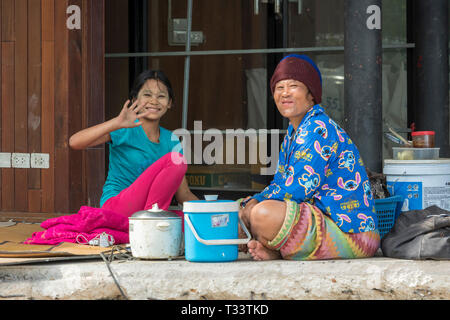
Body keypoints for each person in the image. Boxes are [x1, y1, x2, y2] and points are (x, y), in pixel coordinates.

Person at [239, 55, 380, 261]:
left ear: (311, 94)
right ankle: (275, 250)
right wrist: (250, 204)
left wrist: (254, 206)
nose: (285, 93)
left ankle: (275, 249)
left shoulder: (317, 128)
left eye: (293, 85)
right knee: (238, 209)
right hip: (321, 220)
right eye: (279, 88)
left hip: (353, 234)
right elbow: (280, 184)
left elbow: (297, 188)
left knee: (262, 215)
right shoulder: (294, 132)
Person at [69, 70, 198, 218]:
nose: (154, 101)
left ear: (169, 103)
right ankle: (151, 223)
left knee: (189, 221)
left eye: (161, 96)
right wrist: (117, 122)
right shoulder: (123, 129)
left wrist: (211, 211)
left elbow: (184, 195)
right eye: (147, 95)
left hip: (146, 212)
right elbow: (75, 142)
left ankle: (151, 221)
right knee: (176, 161)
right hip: (117, 207)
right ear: (134, 99)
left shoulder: (172, 140)